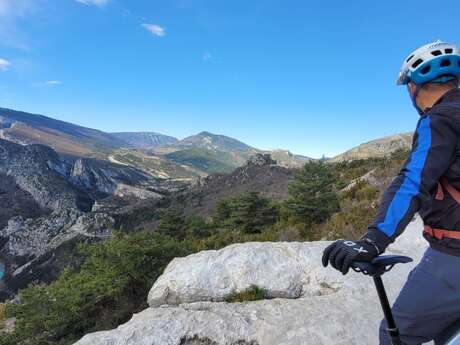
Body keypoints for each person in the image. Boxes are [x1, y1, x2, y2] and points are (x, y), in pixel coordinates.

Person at [322, 40, 460, 345]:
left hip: (454, 258)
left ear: (413, 87)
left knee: (395, 334)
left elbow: (412, 181)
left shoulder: (438, 120)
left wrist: (373, 240)